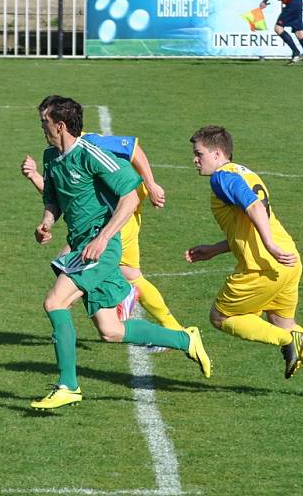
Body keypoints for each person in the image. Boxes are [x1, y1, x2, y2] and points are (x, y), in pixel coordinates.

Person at [29, 95, 211, 410]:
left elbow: (130, 196)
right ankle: (186, 339)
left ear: (60, 125)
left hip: (100, 248)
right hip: (82, 244)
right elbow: (53, 198)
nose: (40, 126)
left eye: (44, 121)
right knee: (110, 331)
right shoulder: (50, 156)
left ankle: (68, 386)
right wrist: (46, 222)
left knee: (54, 302)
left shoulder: (91, 153)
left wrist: (103, 238)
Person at [185, 126, 303, 399]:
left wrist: (268, 245)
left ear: (217, 152)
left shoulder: (222, 177)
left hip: (263, 268)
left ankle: (287, 342)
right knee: (284, 323)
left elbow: (255, 208)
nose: (195, 160)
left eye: (199, 154)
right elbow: (248, 225)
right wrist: (216, 249)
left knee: (221, 317)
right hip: (288, 260)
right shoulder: (245, 172)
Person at [21, 134, 184, 333]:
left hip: (117, 214)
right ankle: (172, 327)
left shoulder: (91, 143)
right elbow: (66, 195)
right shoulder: (58, 154)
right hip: (108, 215)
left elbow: (133, 148)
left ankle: (121, 297)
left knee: (70, 262)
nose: (43, 128)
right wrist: (35, 176)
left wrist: (151, 184)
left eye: (46, 121)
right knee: (129, 273)